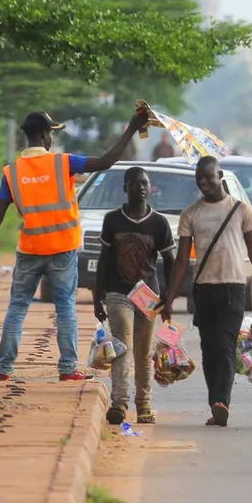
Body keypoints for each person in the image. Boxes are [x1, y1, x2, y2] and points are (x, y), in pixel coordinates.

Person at [0, 107, 150, 382]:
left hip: (29, 249)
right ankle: (67, 368)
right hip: (62, 249)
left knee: (18, 306)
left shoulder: (12, 172)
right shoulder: (63, 163)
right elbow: (105, 161)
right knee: (65, 306)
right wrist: (131, 128)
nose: (51, 139)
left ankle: (4, 368)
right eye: (51, 134)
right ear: (44, 135)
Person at [161, 156, 252, 427]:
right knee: (209, 349)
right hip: (203, 290)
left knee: (225, 346)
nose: (204, 183)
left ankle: (222, 401)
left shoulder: (241, 209)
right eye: (200, 180)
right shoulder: (190, 214)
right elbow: (182, 260)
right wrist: (170, 296)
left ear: (220, 175)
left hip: (233, 288)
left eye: (209, 177)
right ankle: (215, 403)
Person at [94, 167, 176, 426]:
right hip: (118, 292)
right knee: (122, 345)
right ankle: (119, 402)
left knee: (143, 352)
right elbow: (104, 259)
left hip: (148, 295)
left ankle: (144, 404)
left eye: (145, 183)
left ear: (150, 188)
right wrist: (98, 295)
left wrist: (168, 297)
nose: (141, 188)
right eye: (135, 183)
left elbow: (170, 260)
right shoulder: (112, 220)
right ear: (125, 188)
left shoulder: (159, 223)